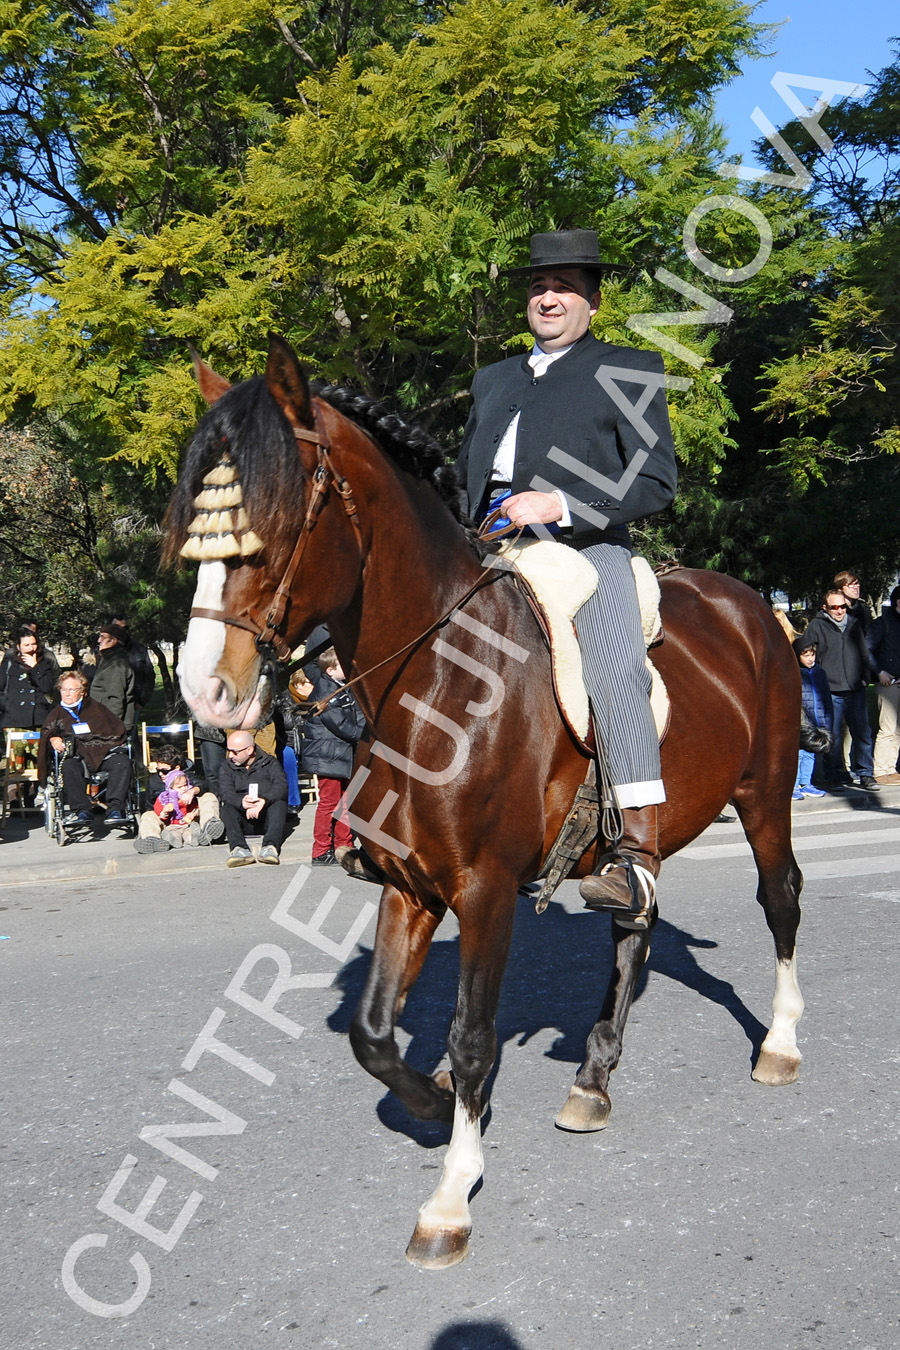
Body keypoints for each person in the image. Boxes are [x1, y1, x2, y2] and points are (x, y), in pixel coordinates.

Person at [456, 228, 678, 923]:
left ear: (593, 300)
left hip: (585, 548)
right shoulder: (493, 379)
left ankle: (636, 855)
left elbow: (658, 480)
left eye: (565, 287)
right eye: (537, 287)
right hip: (491, 549)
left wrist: (560, 502)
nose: (548, 297)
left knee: (613, 668)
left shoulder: (630, 368)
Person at [801, 588, 878, 791]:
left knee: (862, 732)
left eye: (843, 606)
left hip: (856, 688)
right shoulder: (817, 625)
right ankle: (834, 775)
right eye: (834, 607)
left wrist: (864, 678)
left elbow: (863, 653)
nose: (839, 611)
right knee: (831, 734)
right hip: (831, 690)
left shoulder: (853, 624)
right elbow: (804, 651)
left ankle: (865, 774)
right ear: (825, 608)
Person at [37, 670, 133, 824]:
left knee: (122, 762)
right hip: (76, 756)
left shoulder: (97, 709)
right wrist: (53, 738)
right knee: (69, 767)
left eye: (72, 689)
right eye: (63, 689)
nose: (67, 693)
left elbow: (116, 730)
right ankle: (82, 810)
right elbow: (46, 733)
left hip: (103, 754)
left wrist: (102, 743)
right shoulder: (56, 713)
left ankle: (115, 808)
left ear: (82, 692)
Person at [301, 649, 365, 865]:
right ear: (330, 670)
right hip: (328, 755)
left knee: (347, 801)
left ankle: (344, 845)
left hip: (341, 754)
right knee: (329, 803)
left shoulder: (342, 687)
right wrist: (364, 738)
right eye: (342, 665)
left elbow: (357, 715)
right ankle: (320, 850)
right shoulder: (324, 692)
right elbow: (341, 725)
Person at [134, 742, 224, 853]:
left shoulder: (186, 777)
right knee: (148, 815)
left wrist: (192, 791)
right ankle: (152, 839)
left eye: (164, 771)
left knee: (209, 797)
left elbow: (203, 786)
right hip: (168, 820)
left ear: (176, 768)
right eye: (158, 770)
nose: (161, 774)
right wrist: (163, 812)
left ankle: (209, 827)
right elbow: (149, 806)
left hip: (190, 817)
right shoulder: (154, 781)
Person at [217, 730, 288, 866]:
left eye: (235, 752)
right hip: (243, 818)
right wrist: (241, 802)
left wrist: (264, 800)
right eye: (229, 751)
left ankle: (270, 847)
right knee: (226, 808)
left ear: (249, 750)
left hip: (265, 816)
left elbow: (281, 787)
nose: (230, 755)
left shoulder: (270, 763)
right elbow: (224, 792)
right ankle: (239, 849)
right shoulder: (226, 767)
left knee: (279, 803)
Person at [866, 584, 900, 785]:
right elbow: (867, 649)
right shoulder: (882, 623)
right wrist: (879, 672)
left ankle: (891, 768)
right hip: (887, 683)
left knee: (897, 730)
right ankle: (880, 770)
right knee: (887, 728)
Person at [792, 639, 832, 799]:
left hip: (817, 720)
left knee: (810, 753)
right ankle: (793, 785)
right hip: (801, 722)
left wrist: (827, 720)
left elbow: (826, 697)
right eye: (805, 655)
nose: (810, 658)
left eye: (812, 654)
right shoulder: (794, 672)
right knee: (798, 754)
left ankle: (806, 783)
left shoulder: (820, 672)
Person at [0, 627, 57, 728]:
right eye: (26, 645)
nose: (31, 648)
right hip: (13, 718)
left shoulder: (44, 662)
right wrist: (6, 705)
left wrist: (35, 667)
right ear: (19, 647)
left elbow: (47, 687)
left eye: (33, 644)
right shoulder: (10, 663)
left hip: (38, 718)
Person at [276, 668, 314, 815]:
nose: (313, 686)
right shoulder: (285, 699)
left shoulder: (316, 698)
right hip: (290, 742)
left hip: (312, 743)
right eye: (309, 683)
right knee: (288, 757)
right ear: (298, 684)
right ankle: (293, 802)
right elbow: (285, 725)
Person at [88, 625, 136, 730]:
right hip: (104, 721)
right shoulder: (108, 660)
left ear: (113, 641)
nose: (99, 640)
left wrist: (112, 727)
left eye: (103, 637)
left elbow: (116, 699)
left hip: (111, 725)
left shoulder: (116, 663)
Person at [107, 614, 156, 708]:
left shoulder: (139, 649)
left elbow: (149, 676)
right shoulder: (101, 651)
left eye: (125, 628)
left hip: (132, 706)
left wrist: (142, 701)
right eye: (117, 628)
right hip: (107, 707)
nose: (122, 631)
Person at [834, 570, 870, 635]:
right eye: (851, 585)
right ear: (840, 589)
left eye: (857, 583)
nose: (856, 587)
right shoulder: (833, 610)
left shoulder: (863, 609)